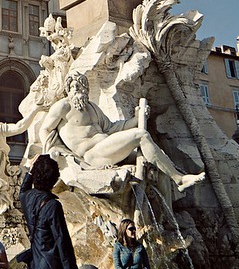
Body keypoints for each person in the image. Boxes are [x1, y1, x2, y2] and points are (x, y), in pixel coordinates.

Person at [41, 72, 205, 192]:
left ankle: (174, 189)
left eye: (80, 86)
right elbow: (46, 129)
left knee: (154, 159)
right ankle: (179, 179)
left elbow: (112, 128)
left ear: (86, 89)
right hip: (92, 155)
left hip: (106, 148)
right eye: (72, 86)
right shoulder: (63, 106)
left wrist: (136, 118)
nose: (76, 89)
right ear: (67, 90)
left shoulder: (92, 108)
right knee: (141, 135)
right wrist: (51, 151)